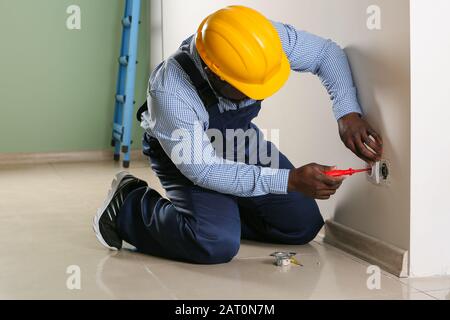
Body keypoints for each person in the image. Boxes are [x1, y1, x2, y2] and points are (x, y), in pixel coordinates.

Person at [93, 5, 383, 264]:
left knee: (301, 226)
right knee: (213, 243)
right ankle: (129, 205)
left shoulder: (259, 40)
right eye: (246, 89)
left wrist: (347, 113)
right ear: (215, 73)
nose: (255, 94)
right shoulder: (171, 91)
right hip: (187, 154)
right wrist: (290, 180)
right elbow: (204, 169)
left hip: (238, 141)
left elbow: (325, 54)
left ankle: (222, 214)